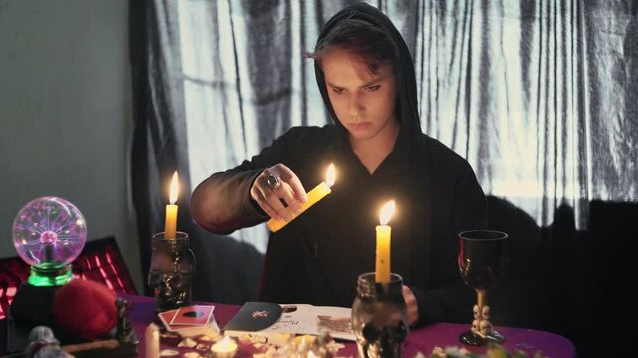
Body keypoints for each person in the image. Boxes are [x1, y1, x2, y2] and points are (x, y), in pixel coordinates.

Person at [191, 2, 486, 327]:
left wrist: (422, 304)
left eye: (371, 87)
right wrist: (252, 189)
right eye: (338, 90)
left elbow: (476, 296)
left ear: (399, 79)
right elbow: (205, 208)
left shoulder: (448, 175)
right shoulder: (300, 152)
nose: (354, 107)